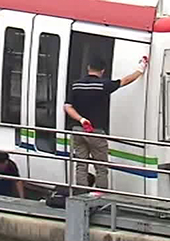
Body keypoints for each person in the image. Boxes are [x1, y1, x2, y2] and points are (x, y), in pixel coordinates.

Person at [63, 55, 148, 193]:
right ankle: (99, 195)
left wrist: (81, 119)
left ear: (88, 68)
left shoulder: (75, 85)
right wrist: (141, 67)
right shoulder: (103, 85)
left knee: (81, 165)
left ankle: (81, 193)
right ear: (102, 70)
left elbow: (67, 107)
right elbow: (125, 80)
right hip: (96, 131)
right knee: (101, 167)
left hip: (78, 129)